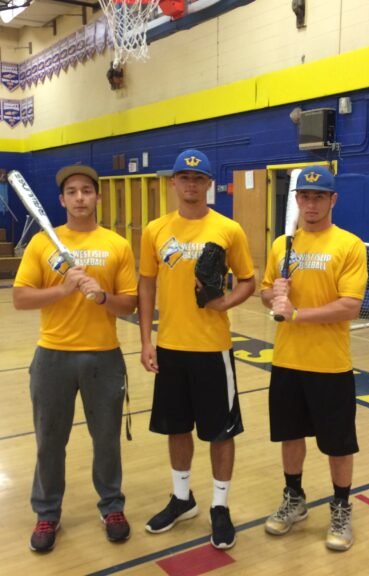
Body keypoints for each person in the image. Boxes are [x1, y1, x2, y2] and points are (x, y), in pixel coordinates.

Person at [13, 164, 138, 553]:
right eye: (72, 191)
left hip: (103, 357)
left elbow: (129, 304)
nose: (80, 197)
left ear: (97, 197)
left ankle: (112, 506)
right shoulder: (42, 244)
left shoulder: (117, 244)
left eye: (87, 190)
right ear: (62, 200)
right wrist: (64, 289)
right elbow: (20, 298)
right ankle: (47, 512)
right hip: (53, 356)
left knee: (107, 440)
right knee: (50, 440)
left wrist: (102, 297)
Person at [138, 149, 256, 549]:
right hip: (170, 346)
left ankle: (220, 506)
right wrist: (145, 340)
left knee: (220, 432)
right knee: (176, 427)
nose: (191, 184)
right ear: (173, 183)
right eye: (184, 178)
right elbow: (146, 285)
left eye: (199, 178)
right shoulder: (155, 230)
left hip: (212, 347)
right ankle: (182, 498)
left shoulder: (228, 229)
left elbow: (247, 280)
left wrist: (225, 302)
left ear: (208, 184)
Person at [260, 165, 367, 552]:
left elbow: (350, 306)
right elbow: (265, 293)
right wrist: (275, 295)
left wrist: (296, 314)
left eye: (319, 196)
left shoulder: (349, 245)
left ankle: (341, 507)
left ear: (332, 199)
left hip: (330, 364)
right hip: (287, 361)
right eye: (304, 196)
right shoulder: (282, 245)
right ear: (297, 199)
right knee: (290, 435)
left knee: (338, 444)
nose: (310, 204)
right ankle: (295, 498)